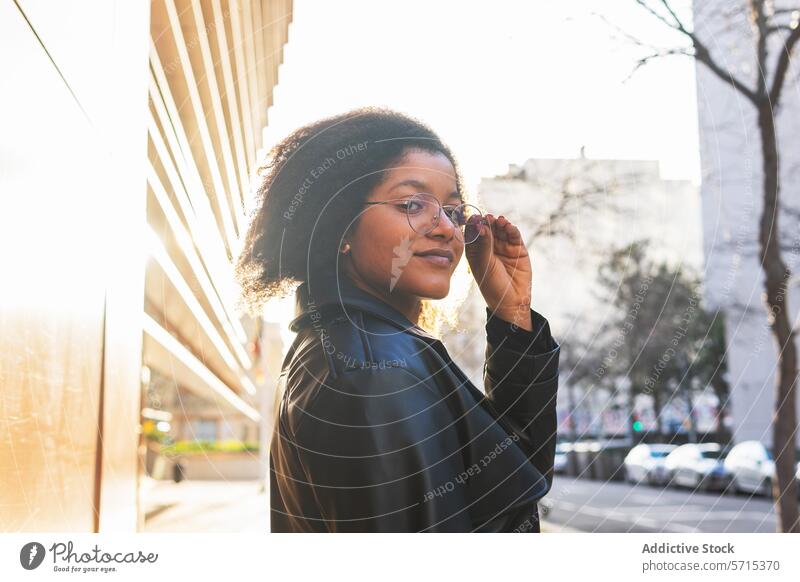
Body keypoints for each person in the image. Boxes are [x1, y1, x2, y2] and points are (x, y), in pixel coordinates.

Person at [234, 106, 560, 532]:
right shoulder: (374, 370)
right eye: (412, 204)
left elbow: (514, 476)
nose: (446, 227)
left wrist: (512, 316)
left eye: (454, 211)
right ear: (340, 225)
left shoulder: (360, 348)